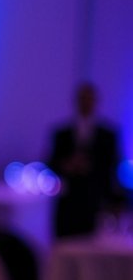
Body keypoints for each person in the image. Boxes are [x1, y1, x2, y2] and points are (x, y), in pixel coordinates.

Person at [46, 81, 122, 238]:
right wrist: (67, 165)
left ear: (95, 102)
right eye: (82, 98)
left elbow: (113, 166)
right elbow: (50, 162)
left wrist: (112, 202)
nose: (86, 103)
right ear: (76, 101)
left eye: (89, 99)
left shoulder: (108, 135)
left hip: (95, 202)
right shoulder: (62, 133)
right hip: (68, 203)